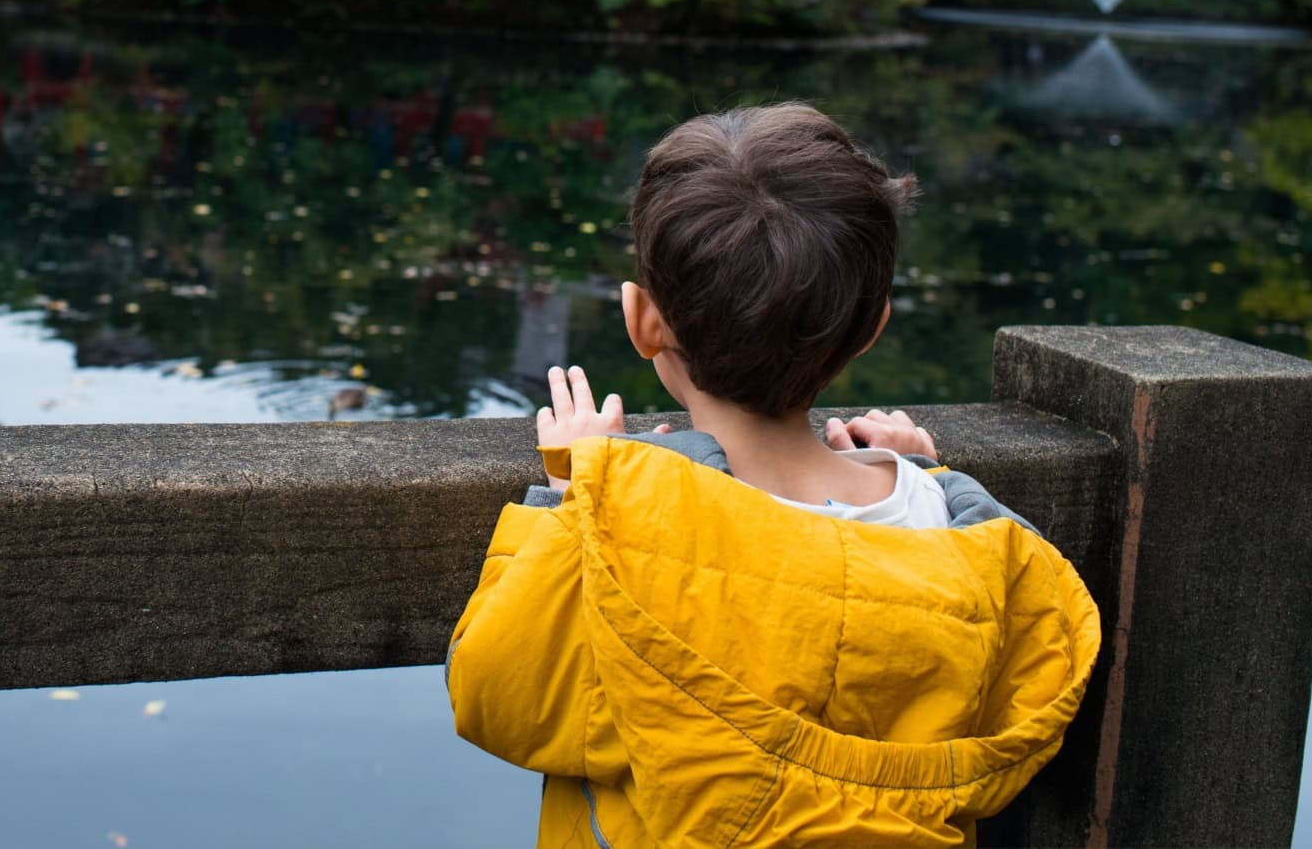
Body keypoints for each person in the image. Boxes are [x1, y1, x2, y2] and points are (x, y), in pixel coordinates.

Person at [446, 104, 1100, 848]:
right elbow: (1028, 639)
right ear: (872, 327)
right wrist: (930, 478)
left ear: (643, 321)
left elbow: (497, 694)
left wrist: (574, 496)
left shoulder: (621, 520)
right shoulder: (955, 540)